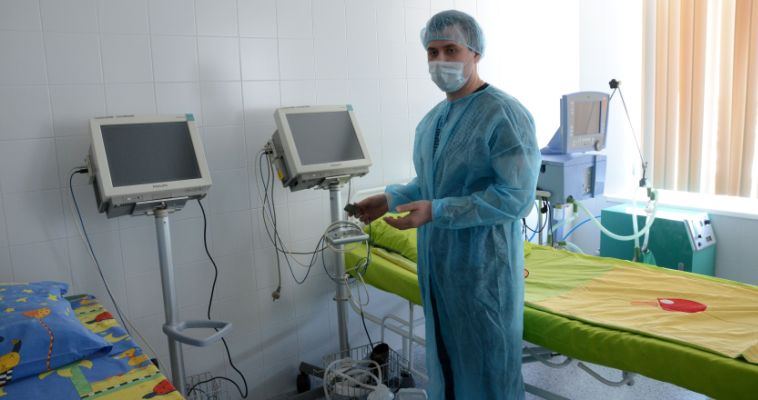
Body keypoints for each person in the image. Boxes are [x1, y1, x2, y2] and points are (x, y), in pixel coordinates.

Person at [351, 9, 541, 400]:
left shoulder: (504, 114)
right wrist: (390, 199)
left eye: (450, 50)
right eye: (432, 52)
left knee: (488, 370)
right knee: (446, 364)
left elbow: (516, 197)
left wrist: (438, 211)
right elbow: (431, 184)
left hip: (483, 270)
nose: (440, 61)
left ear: (475, 53)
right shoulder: (432, 121)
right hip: (439, 269)